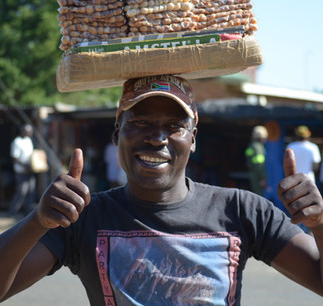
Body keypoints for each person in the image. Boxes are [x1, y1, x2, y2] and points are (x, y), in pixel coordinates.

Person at [1, 75, 323, 305]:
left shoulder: (242, 210)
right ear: (117, 133)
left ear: (193, 138)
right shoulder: (84, 219)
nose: (157, 138)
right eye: (140, 123)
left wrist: (320, 225)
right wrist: (37, 222)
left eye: (174, 126)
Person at [7, 124, 36, 216]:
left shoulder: (28, 140)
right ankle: (12, 212)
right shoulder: (17, 142)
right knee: (21, 192)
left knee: (31, 191)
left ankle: (28, 213)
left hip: (30, 170)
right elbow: (15, 158)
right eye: (29, 131)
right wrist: (25, 166)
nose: (31, 133)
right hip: (21, 171)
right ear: (23, 131)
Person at [245, 125, 268, 196]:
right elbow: (260, 164)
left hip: (252, 174)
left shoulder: (251, 146)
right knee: (259, 196)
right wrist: (263, 178)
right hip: (258, 177)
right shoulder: (258, 147)